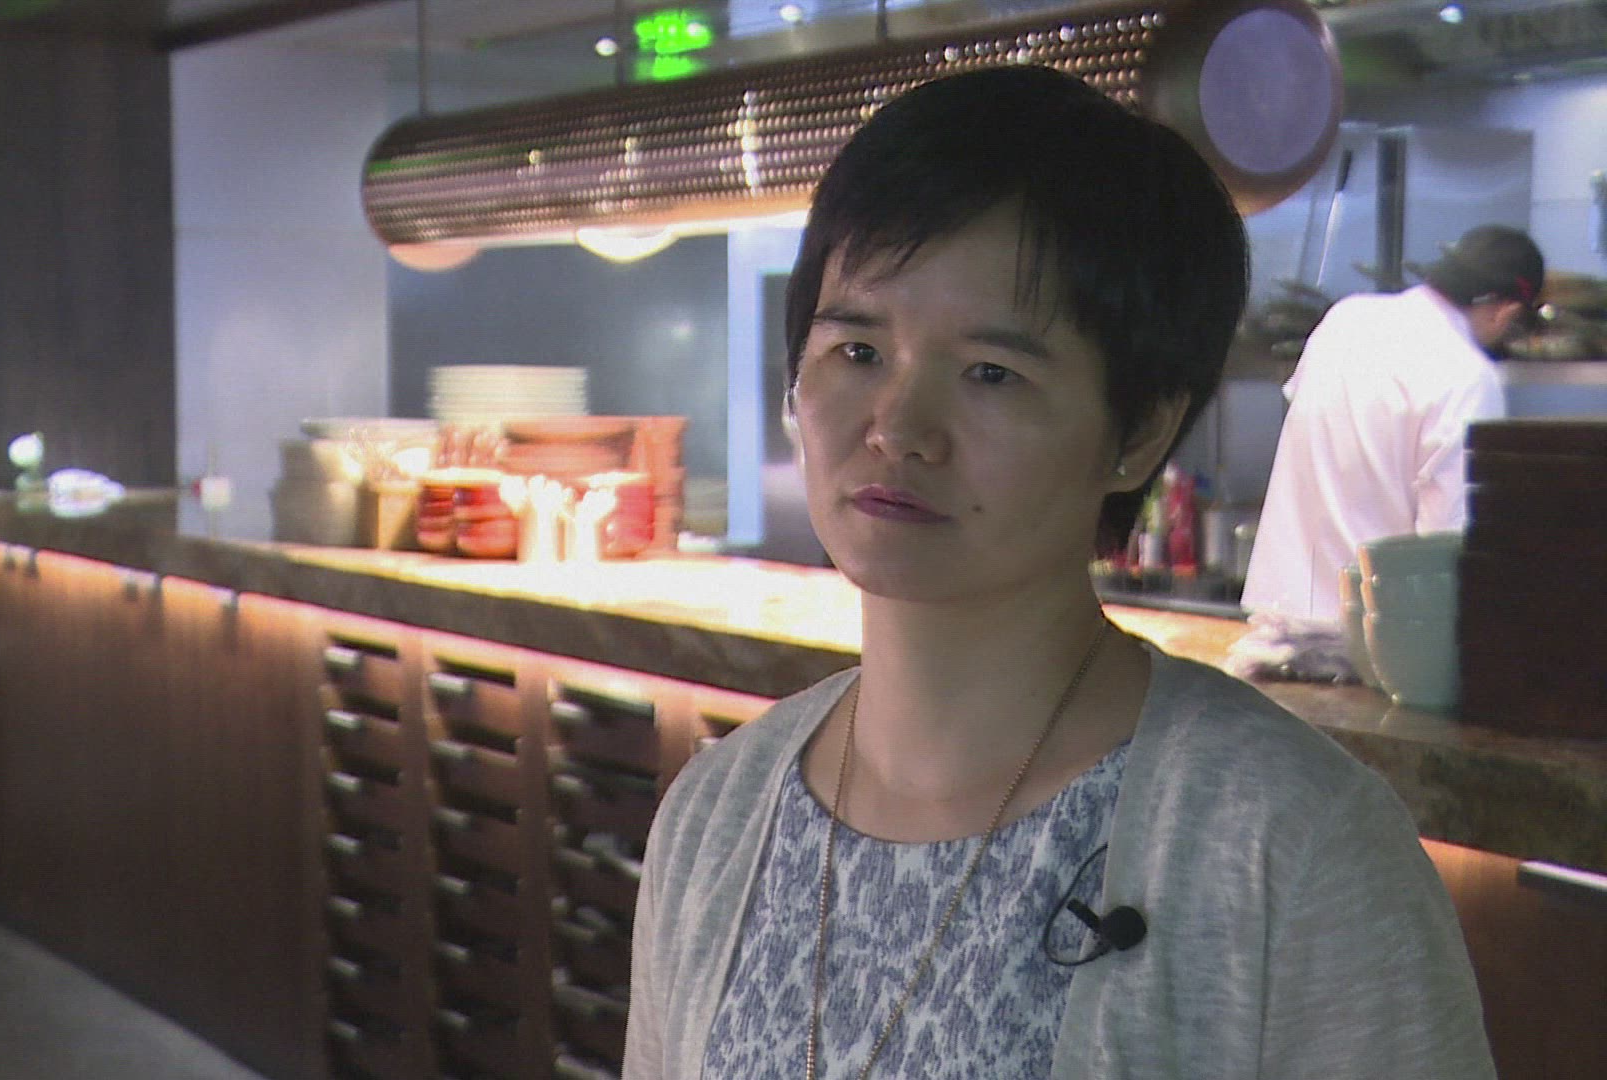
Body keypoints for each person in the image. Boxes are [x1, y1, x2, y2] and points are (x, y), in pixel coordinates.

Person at [621, 66, 1494, 1080]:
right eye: (856, 350)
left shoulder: (1290, 846)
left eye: (991, 373)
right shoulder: (719, 814)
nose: (898, 428)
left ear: (1140, 431)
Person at [1243, 225, 1545, 622]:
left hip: (1279, 614)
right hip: (1370, 634)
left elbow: (1306, 415)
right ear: (1506, 311)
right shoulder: (1468, 375)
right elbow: (1445, 545)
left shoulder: (1346, 319)